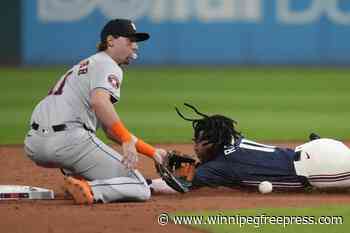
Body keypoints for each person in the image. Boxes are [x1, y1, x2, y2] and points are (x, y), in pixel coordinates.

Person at [24, 19, 167, 204]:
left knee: (93, 153)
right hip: (69, 143)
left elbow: (109, 129)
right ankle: (88, 188)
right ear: (110, 41)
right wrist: (125, 140)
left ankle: (80, 178)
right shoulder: (108, 65)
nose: (135, 47)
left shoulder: (87, 65)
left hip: (34, 145)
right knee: (139, 187)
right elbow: (100, 102)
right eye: (130, 41)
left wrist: (152, 152)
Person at [150, 104, 350, 194]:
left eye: (198, 141)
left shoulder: (220, 166)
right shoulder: (234, 140)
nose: (195, 147)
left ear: (211, 143)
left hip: (319, 167)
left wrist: (149, 183)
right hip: (318, 150)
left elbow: (177, 184)